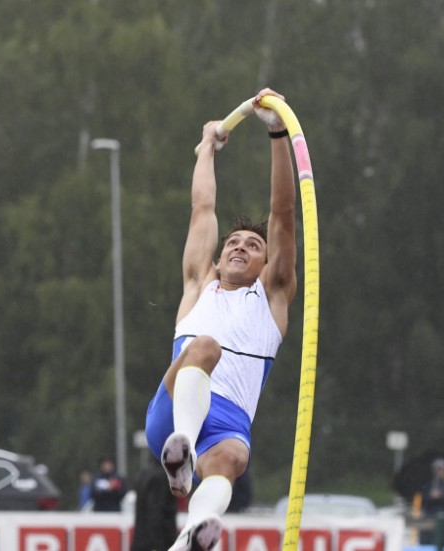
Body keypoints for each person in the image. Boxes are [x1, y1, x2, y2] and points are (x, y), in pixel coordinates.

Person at [144, 87, 298, 551]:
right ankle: (182, 450)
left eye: (252, 247)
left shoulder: (272, 299)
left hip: (228, 424)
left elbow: (284, 214)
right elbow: (202, 208)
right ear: (217, 257)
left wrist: (277, 132)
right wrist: (208, 147)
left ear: (266, 267)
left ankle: (194, 534)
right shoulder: (199, 286)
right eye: (233, 243)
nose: (238, 247)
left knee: (233, 457)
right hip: (174, 413)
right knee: (205, 346)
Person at [131, 462, 180, 551]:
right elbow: (156, 511)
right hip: (158, 542)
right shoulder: (163, 477)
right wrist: (158, 544)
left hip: (141, 539)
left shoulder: (145, 473)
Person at [419, 458, 444, 548]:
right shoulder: (429, 485)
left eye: (442, 469)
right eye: (438, 469)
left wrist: (442, 496)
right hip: (430, 522)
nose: (440, 472)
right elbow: (423, 502)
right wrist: (431, 497)